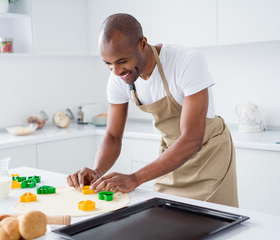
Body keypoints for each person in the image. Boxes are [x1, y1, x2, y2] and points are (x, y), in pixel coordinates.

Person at [67, 13, 238, 207]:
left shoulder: (186, 62)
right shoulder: (119, 78)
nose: (116, 71)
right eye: (108, 64)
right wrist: (97, 171)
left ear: (142, 44)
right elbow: (113, 136)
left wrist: (135, 178)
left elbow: (192, 139)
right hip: (171, 160)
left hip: (210, 157)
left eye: (122, 61)